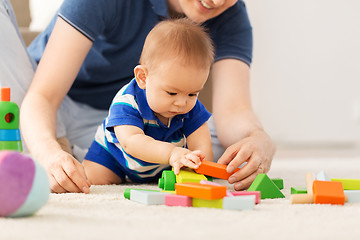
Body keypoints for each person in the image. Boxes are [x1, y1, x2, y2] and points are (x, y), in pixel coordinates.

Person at [8, 0, 275, 193]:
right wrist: (48, 154)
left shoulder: (232, 14)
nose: (217, 1)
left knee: (221, 148)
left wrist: (258, 139)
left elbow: (233, 111)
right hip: (51, 107)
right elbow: (43, 95)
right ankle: (56, 154)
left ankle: (77, 162)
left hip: (153, 120)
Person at [82, 19, 214, 185]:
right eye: (172, 92)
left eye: (193, 94)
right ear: (143, 78)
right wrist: (171, 153)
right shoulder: (127, 102)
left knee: (185, 176)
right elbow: (131, 143)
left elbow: (202, 144)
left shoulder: (191, 108)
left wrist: (196, 162)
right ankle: (80, 157)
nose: (182, 103)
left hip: (163, 165)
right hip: (114, 156)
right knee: (92, 180)